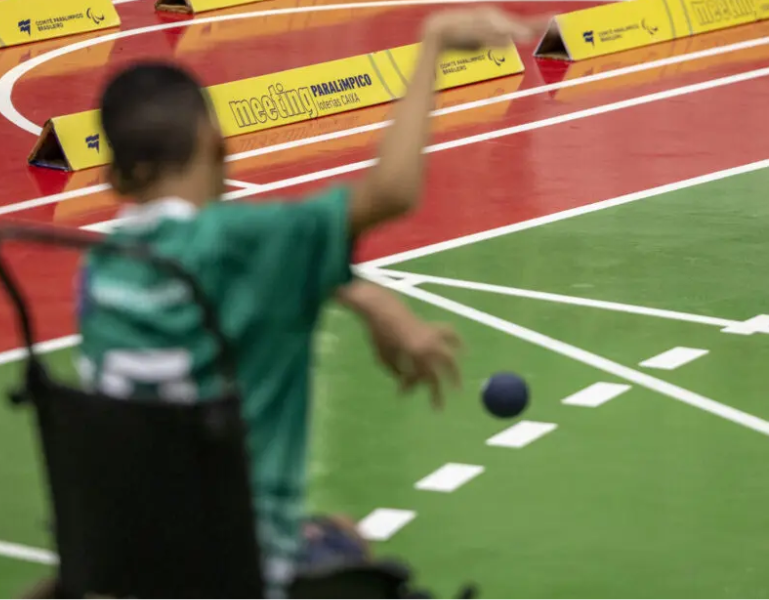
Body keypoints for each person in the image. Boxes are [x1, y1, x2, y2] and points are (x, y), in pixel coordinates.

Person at [71, 7, 542, 597]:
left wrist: (364, 297)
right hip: (243, 572)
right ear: (217, 144)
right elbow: (392, 192)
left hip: (136, 571)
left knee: (333, 534)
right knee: (355, 552)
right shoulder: (250, 244)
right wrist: (433, 48)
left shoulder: (101, 273)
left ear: (113, 176)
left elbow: (222, 261)